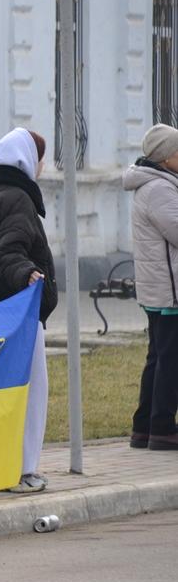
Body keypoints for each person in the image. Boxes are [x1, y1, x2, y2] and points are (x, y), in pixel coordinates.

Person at [0, 128, 58, 493]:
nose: (43, 164)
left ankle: (0, 467)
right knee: (30, 393)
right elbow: (8, 253)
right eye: (40, 156)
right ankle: (24, 470)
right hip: (19, 313)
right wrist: (29, 275)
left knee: (0, 396)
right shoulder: (19, 199)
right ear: (27, 159)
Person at [124, 124, 178, 451]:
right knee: (169, 358)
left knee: (158, 356)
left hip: (160, 286)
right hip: (170, 289)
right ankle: (161, 426)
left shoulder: (157, 184)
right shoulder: (159, 189)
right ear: (166, 157)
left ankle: (143, 426)